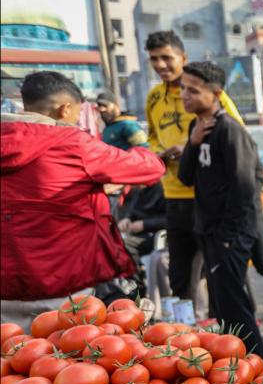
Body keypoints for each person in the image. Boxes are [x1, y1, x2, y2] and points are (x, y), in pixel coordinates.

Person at [0, 72, 165, 318]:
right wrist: (143, 146)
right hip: (65, 289)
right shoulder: (72, 144)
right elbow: (150, 168)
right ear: (65, 109)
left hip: (6, 290)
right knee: (67, 354)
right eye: (78, 114)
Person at [144, 30, 243, 307]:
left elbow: (236, 136)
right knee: (180, 274)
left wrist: (190, 148)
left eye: (167, 57)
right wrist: (158, 153)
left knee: (220, 271)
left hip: (207, 198)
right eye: (154, 59)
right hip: (174, 195)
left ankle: (236, 329)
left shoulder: (209, 94)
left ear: (183, 57)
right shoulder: (153, 98)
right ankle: (187, 333)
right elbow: (151, 136)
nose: (160, 65)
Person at [176, 62, 263, 359]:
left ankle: (258, 368)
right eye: (182, 89)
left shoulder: (230, 130)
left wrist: (228, 237)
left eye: (192, 90)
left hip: (230, 235)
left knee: (235, 307)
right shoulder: (196, 128)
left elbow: (244, 189)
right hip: (209, 232)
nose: (184, 95)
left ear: (215, 93)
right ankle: (236, 366)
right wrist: (192, 143)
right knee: (223, 309)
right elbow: (185, 177)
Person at [94, 91, 149, 219]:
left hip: (125, 185)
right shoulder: (108, 128)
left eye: (105, 105)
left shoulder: (128, 125)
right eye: (99, 106)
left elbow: (144, 152)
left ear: (116, 105)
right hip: (111, 183)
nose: (101, 109)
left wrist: (127, 181)